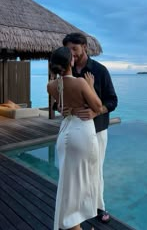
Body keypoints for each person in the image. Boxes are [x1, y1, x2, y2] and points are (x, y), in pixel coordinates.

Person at [62, 32, 118, 223]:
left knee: (95, 171)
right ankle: (76, 208)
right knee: (74, 171)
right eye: (68, 50)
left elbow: (112, 101)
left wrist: (96, 111)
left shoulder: (100, 71)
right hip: (74, 130)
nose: (72, 53)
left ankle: (98, 207)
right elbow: (57, 102)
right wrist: (63, 108)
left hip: (97, 130)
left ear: (84, 46)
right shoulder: (66, 72)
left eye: (74, 49)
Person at [47, 46, 103, 230]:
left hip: (65, 133)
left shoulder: (51, 86)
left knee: (69, 182)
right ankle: (73, 224)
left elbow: (61, 104)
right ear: (70, 61)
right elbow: (97, 105)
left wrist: (63, 108)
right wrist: (91, 86)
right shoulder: (80, 83)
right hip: (81, 133)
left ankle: (73, 223)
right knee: (83, 181)